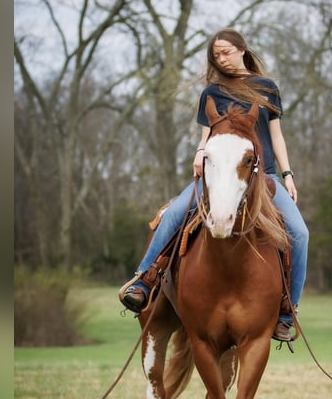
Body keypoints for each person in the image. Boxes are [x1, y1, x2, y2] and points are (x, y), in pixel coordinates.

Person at [119, 28, 309, 343]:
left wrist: (287, 176)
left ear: (241, 49)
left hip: (264, 178)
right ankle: (143, 281)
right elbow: (206, 137)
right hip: (217, 174)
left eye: (224, 52)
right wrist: (199, 154)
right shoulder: (212, 92)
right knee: (174, 213)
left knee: (300, 233)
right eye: (215, 55)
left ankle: (288, 312)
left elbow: (276, 136)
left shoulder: (268, 88)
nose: (220, 59)